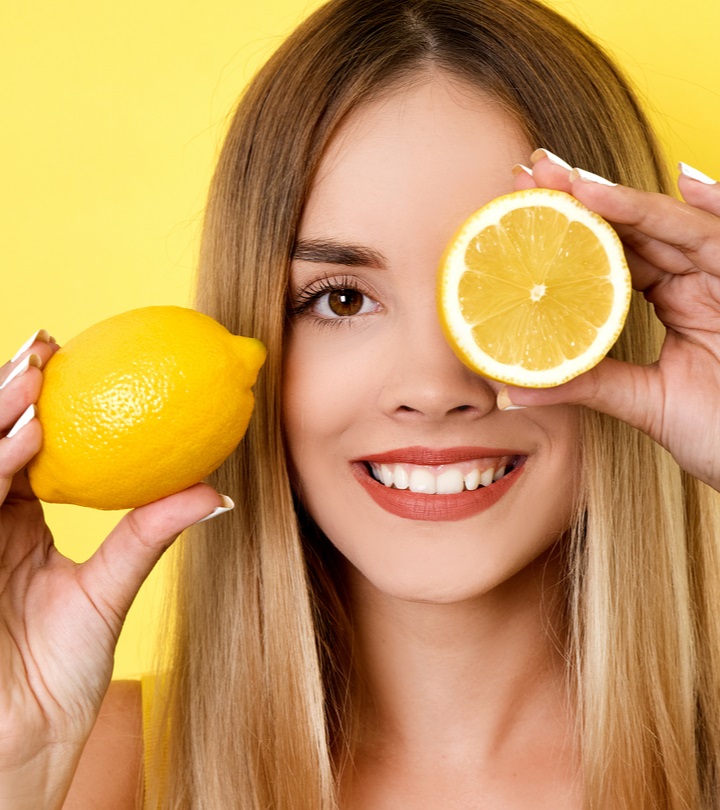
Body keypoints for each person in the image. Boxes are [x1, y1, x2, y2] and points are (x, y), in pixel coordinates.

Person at [2, 0, 720, 807]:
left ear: (624, 312)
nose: (433, 388)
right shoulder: (86, 770)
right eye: (341, 299)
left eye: (515, 290)